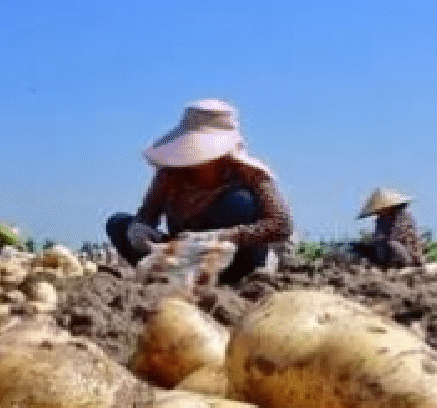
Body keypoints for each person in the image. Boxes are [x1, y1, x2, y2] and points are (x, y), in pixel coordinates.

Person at [105, 99, 295, 286]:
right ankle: (170, 274)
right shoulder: (170, 174)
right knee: (117, 223)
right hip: (182, 256)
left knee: (240, 202)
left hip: (232, 258)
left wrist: (218, 237)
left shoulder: (251, 174)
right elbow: (148, 214)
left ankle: (231, 278)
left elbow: (281, 224)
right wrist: (140, 229)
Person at [355, 187, 426, 268]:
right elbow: (378, 237)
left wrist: (416, 258)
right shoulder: (380, 220)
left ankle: (405, 265)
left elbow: (411, 239)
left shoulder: (403, 218)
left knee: (391, 243)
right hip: (386, 254)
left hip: (406, 253)